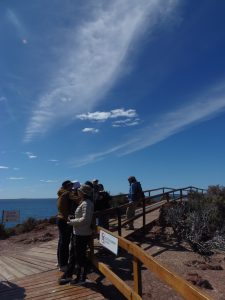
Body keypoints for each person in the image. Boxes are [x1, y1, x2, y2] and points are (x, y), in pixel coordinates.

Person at [67, 184, 94, 284]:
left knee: (80, 257)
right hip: (79, 232)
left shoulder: (87, 203)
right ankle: (80, 277)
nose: (77, 192)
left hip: (82, 233)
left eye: (79, 190)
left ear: (83, 193)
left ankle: (81, 278)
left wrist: (72, 221)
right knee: (78, 256)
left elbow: (85, 219)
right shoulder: (85, 202)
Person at [57, 180, 73, 271]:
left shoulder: (61, 193)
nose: (72, 187)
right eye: (71, 185)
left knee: (61, 242)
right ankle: (63, 265)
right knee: (65, 243)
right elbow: (77, 199)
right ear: (67, 186)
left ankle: (60, 262)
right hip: (64, 220)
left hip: (60, 219)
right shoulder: (67, 194)